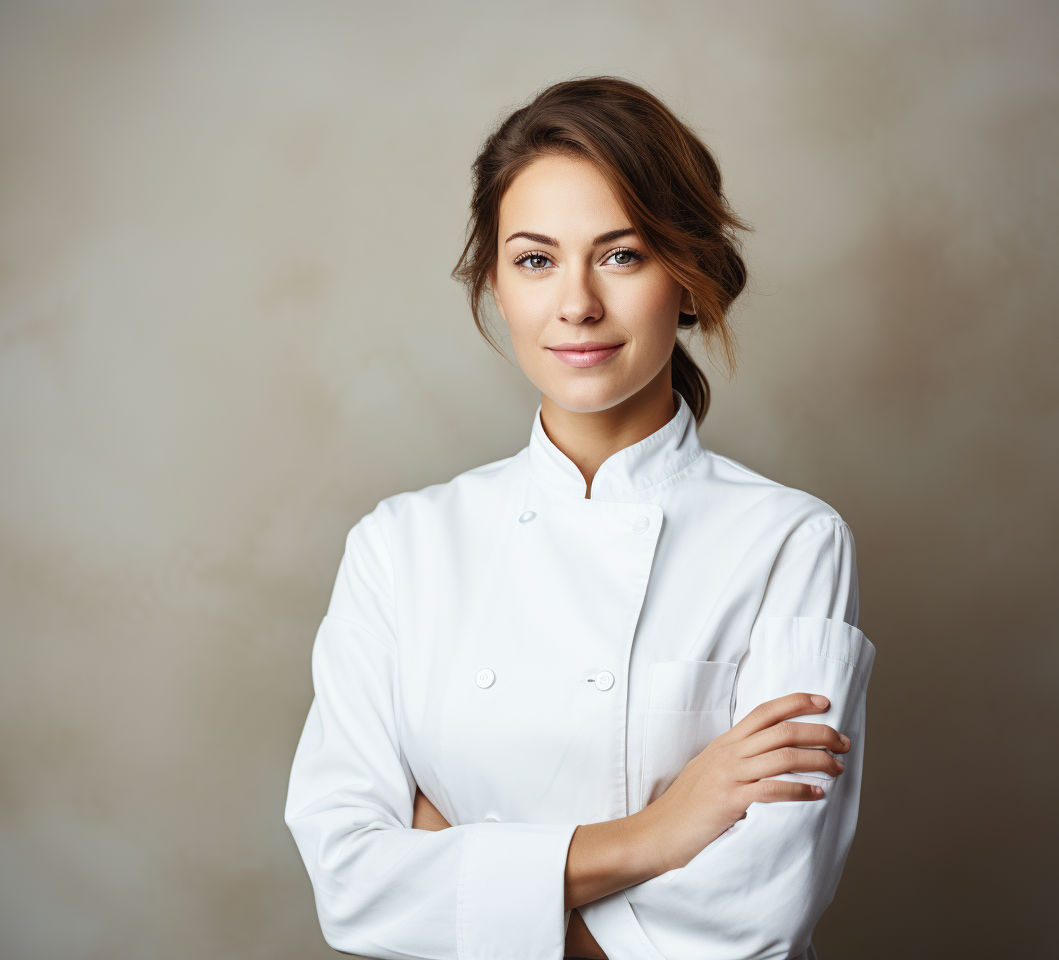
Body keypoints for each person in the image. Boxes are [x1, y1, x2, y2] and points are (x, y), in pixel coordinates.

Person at [285, 77, 875, 960]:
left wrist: (462, 880)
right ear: (495, 284)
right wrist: (658, 833)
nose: (576, 305)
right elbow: (350, 882)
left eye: (621, 255)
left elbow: (756, 913)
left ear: (688, 275)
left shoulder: (791, 542)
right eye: (535, 260)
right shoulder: (399, 548)